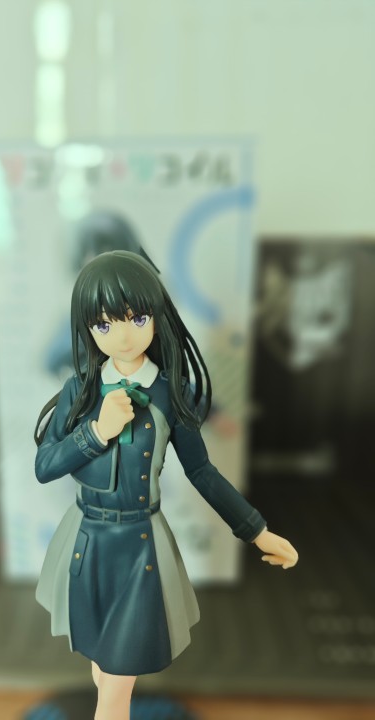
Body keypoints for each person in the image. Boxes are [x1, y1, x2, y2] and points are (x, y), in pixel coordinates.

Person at [34, 250, 298, 720]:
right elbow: (45, 465)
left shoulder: (169, 393)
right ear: (88, 328)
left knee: (115, 687)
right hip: (86, 542)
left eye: (136, 318)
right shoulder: (80, 389)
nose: (122, 335)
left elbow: (202, 471)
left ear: (156, 316)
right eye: (103, 324)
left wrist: (256, 530)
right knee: (103, 671)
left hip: (140, 549)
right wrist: (96, 432)